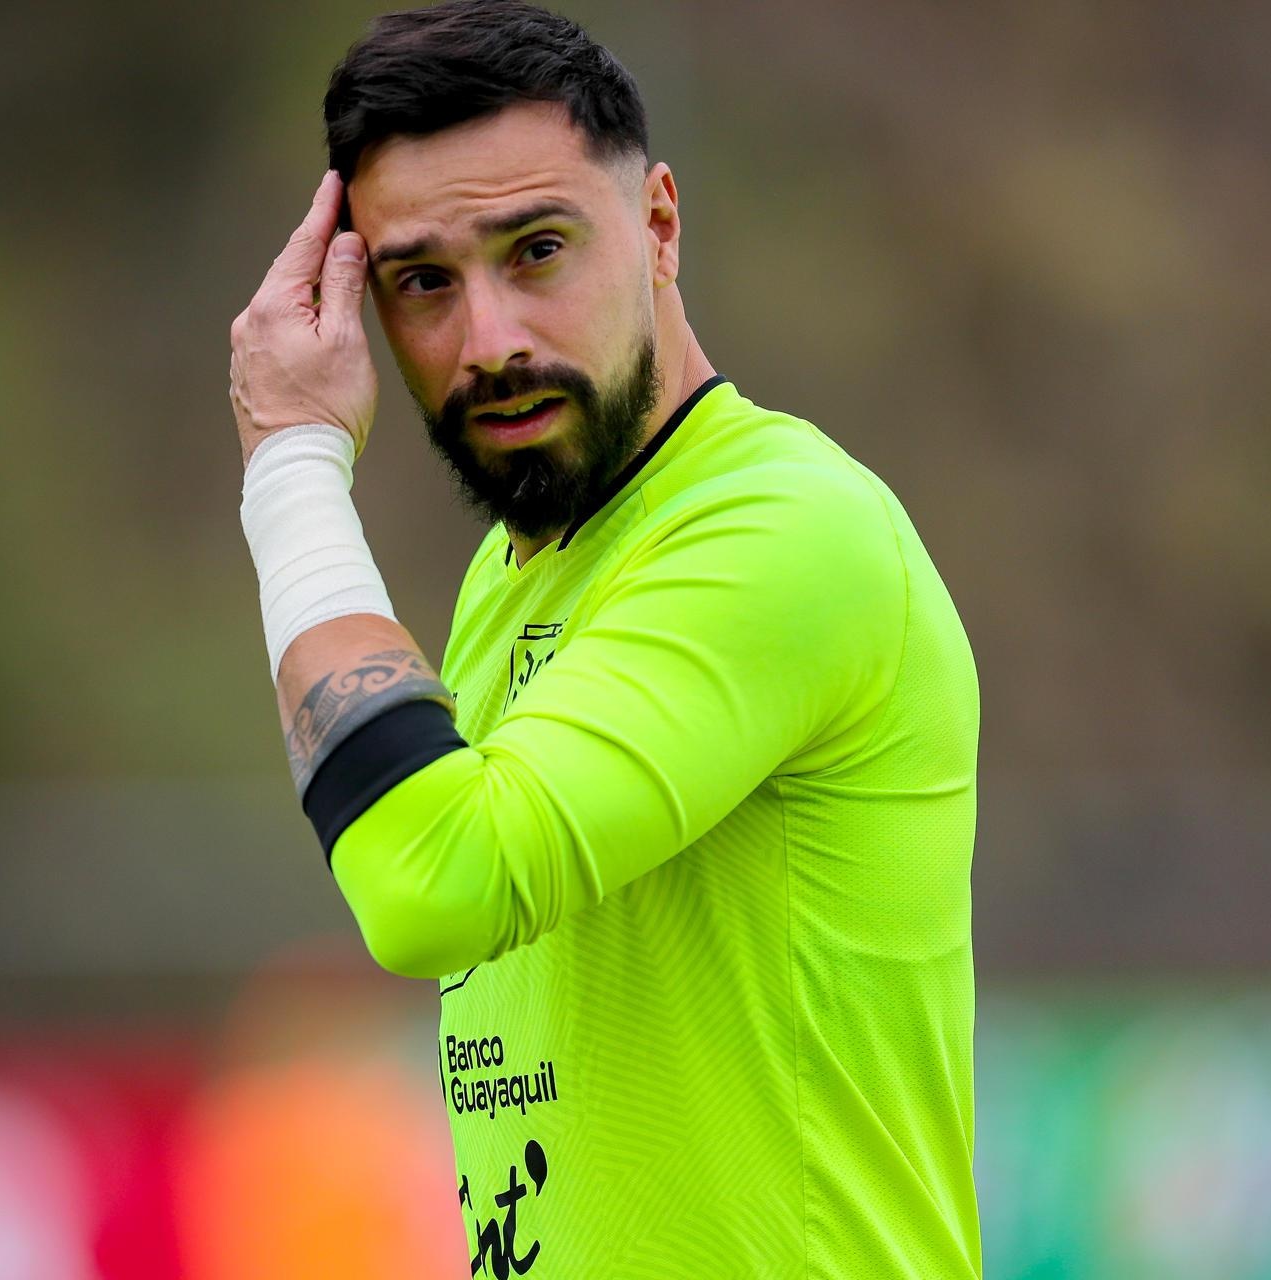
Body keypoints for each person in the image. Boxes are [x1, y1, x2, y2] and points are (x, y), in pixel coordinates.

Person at [227, 2, 981, 1274]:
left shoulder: (786, 530)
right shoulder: (505, 575)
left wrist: (292, 469)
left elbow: (433, 885)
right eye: (422, 282)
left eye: (537, 250)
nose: (491, 343)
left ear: (660, 225)